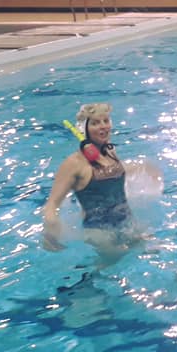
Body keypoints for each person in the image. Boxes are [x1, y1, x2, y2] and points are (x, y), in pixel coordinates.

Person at [42, 102, 135, 258]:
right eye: (95, 123)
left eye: (106, 121)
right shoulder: (74, 163)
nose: (103, 126)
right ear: (84, 129)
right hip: (98, 231)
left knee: (151, 247)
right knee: (118, 258)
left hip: (125, 222)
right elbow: (51, 205)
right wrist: (50, 235)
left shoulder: (110, 152)